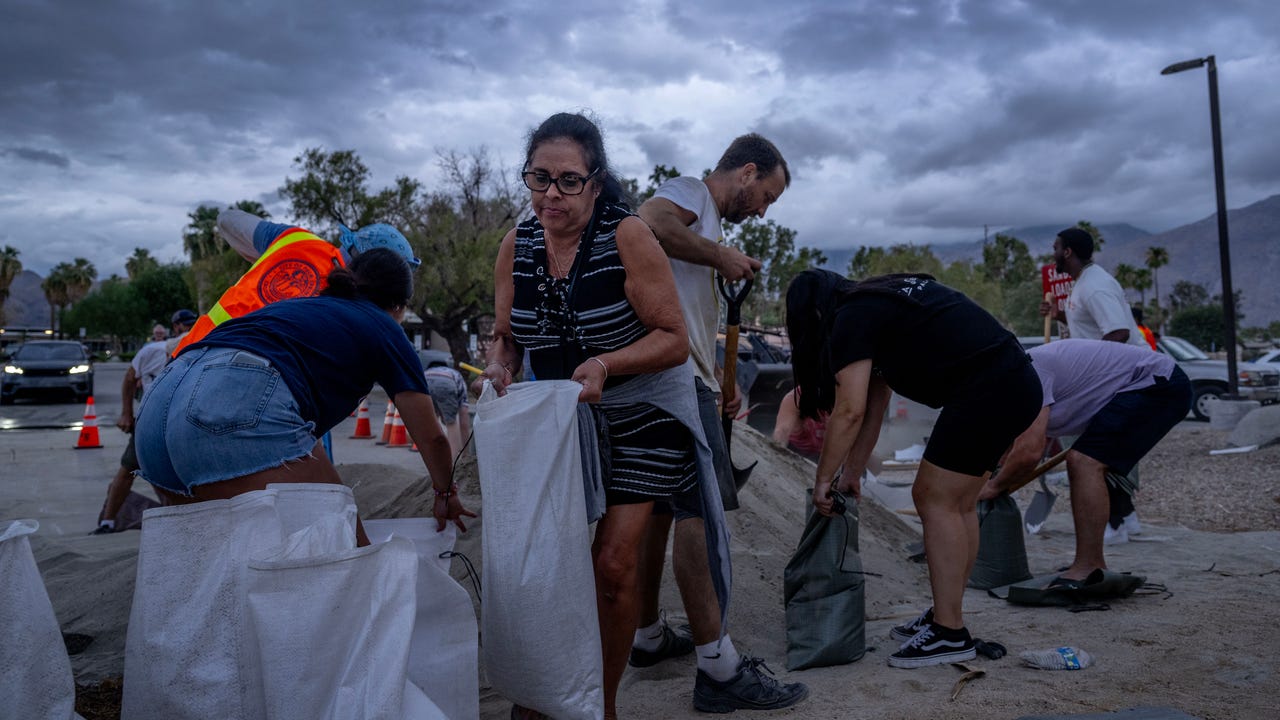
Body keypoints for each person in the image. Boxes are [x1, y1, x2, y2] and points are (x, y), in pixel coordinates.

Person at [481, 112, 709, 719]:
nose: (551, 193)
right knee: (545, 562)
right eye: (539, 178)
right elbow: (506, 336)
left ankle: (599, 708)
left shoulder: (627, 236)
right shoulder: (517, 244)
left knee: (611, 563)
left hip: (643, 410)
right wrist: (501, 364)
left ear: (597, 183)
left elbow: (674, 338)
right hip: (561, 416)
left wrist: (606, 365)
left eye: (568, 180)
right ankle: (544, 691)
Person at [786, 269, 1043, 668]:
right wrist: (850, 472)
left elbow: (849, 410)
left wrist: (823, 480)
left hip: (989, 387)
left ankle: (949, 632)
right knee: (958, 503)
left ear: (813, 314)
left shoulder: (850, 317)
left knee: (932, 497)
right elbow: (873, 403)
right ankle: (947, 615)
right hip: (1014, 382)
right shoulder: (879, 301)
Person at [633, 134, 806, 711]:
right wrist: (720, 256)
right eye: (766, 196)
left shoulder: (706, 221)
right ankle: (719, 668)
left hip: (684, 376)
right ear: (746, 171)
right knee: (698, 515)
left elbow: (686, 307)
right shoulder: (690, 194)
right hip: (675, 382)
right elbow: (647, 224)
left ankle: (648, 636)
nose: (761, 210)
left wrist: (722, 380)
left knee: (657, 512)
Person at [135, 249, 473, 542]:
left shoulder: (300, 308)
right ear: (399, 306)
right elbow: (432, 438)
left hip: (159, 406)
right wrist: (444, 492)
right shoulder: (383, 326)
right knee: (345, 556)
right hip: (229, 402)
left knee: (219, 567)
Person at [979, 339, 1190, 585]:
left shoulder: (1025, 374)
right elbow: (1009, 448)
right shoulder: (1004, 386)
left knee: (1084, 462)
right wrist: (986, 479)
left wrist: (993, 488)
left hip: (1155, 383)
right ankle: (1089, 563)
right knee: (1082, 460)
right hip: (1135, 387)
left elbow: (1028, 453)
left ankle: (1090, 566)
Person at [172, 208, 421, 356]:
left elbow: (227, 219)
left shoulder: (295, 240)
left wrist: (266, 258)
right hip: (235, 383)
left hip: (184, 357)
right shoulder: (350, 308)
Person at [1039, 227, 1147, 541]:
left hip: (1118, 378)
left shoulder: (1095, 286)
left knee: (1091, 452)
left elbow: (1117, 333)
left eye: (1056, 247)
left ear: (1068, 252)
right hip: (1112, 376)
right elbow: (1089, 326)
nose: (1053, 253)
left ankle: (1112, 525)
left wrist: (1093, 377)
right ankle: (1126, 518)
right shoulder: (1084, 283)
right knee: (1103, 447)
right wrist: (1060, 315)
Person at [92, 309, 198, 533]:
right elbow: (131, 379)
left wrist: (127, 412)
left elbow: (130, 379)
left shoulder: (170, 349)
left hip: (165, 417)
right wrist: (126, 412)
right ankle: (111, 521)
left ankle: (113, 521)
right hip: (166, 418)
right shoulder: (163, 350)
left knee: (143, 469)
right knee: (141, 467)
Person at [422, 354, 471, 458]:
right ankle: (454, 461)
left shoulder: (441, 371)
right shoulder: (460, 380)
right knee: (452, 423)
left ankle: (433, 457)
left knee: (432, 423)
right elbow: (464, 421)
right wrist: (466, 452)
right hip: (445, 383)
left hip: (424, 378)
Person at [771, 386, 826, 462]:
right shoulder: (795, 397)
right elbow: (782, 431)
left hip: (829, 452)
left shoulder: (843, 400)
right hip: (798, 450)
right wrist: (776, 457)